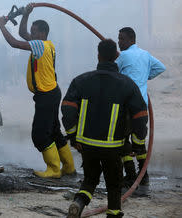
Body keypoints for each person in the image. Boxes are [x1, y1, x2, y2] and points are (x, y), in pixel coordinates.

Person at [61, 39, 148, 218]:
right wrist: (137, 146)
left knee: (90, 179)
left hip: (86, 145)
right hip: (113, 147)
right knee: (114, 186)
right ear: (116, 56)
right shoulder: (127, 84)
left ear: (98, 55)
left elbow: (67, 109)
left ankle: (78, 203)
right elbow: (140, 118)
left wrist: (73, 137)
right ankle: (113, 213)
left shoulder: (81, 80)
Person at [0, 3, 75, 178]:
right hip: (51, 93)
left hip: (46, 95)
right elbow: (22, 33)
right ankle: (69, 167)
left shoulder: (40, 45)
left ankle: (54, 169)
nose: (30, 35)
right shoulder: (48, 45)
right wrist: (26, 14)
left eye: (34, 32)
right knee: (54, 131)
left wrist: (2, 26)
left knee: (40, 134)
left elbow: (14, 42)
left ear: (42, 33)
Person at [116, 27, 166, 187]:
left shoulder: (123, 56)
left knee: (122, 140)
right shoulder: (145, 55)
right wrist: (144, 76)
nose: (119, 42)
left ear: (131, 39)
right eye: (118, 38)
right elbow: (160, 67)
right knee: (138, 141)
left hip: (127, 106)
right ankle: (143, 176)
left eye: (122, 39)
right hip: (142, 106)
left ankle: (130, 175)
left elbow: (113, 73)